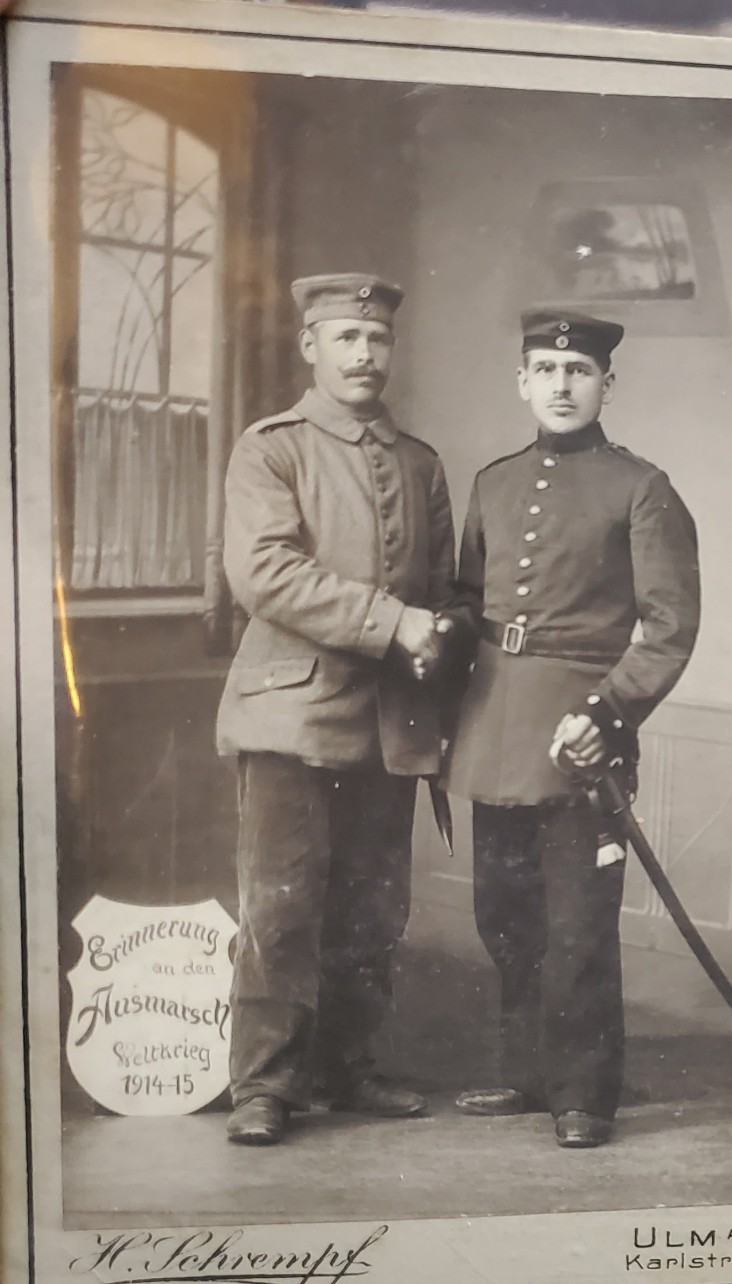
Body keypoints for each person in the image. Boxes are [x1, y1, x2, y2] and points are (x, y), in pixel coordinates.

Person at [441, 309, 700, 1148]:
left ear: (606, 385)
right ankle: (526, 1074)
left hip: (582, 732)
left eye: (578, 370)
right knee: (504, 914)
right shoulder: (493, 481)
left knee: (578, 922)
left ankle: (584, 1093)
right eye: (545, 369)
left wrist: (607, 714)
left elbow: (668, 626)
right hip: (493, 727)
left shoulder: (643, 488)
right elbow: (466, 601)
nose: (560, 384)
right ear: (522, 380)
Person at [217, 273, 458, 1145]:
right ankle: (265, 1085)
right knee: (281, 906)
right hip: (290, 716)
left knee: (372, 905)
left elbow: (439, 595)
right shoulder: (270, 448)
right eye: (346, 338)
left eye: (378, 340)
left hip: (390, 723)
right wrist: (395, 623)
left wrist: (441, 635)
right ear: (310, 347)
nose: (364, 355)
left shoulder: (419, 462)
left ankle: (345, 1066)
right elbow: (265, 574)